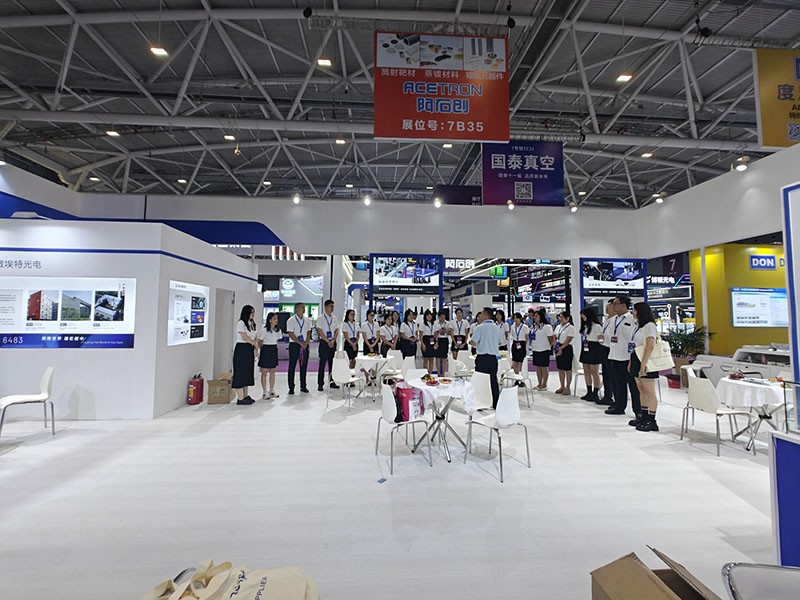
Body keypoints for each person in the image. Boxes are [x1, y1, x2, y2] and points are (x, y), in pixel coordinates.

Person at [604, 295, 640, 417]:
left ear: (624, 305)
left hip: (627, 357)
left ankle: (638, 411)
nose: (613, 306)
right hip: (614, 355)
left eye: (615, 304)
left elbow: (634, 338)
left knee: (633, 386)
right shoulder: (612, 320)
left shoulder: (632, 319)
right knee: (618, 384)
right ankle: (619, 406)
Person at [630, 302, 660, 431]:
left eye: (634, 310)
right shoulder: (638, 326)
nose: (633, 312)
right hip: (636, 358)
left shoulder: (650, 326)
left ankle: (652, 420)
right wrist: (631, 362)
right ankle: (644, 416)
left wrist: (643, 364)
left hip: (646, 361)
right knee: (641, 390)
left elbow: (650, 345)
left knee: (649, 391)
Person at [470, 307, 503, 408]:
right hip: (493, 358)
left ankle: (480, 403)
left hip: (482, 358)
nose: (480, 316)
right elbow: (500, 342)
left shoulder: (479, 328)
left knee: (481, 381)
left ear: (487, 315)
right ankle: (495, 403)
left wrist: (477, 344)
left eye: (482, 314)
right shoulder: (497, 328)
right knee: (493, 381)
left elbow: (473, 342)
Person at [232, 304, 257, 405]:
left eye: (254, 312)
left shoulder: (251, 323)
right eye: (251, 312)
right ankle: (240, 398)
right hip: (241, 349)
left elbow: (254, 336)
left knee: (247, 372)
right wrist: (253, 343)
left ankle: (246, 395)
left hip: (249, 349)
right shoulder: (241, 323)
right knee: (240, 372)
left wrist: (255, 348)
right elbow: (244, 337)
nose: (253, 314)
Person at [286, 302, 311, 396]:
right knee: (292, 366)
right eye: (302, 308)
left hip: (305, 345)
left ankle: (303, 386)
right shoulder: (291, 320)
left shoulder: (307, 320)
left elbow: (309, 332)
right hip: (294, 345)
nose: (304, 309)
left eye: (304, 308)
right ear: (297, 309)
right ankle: (291, 387)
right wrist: (300, 343)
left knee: (304, 366)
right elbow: (290, 333)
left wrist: (306, 342)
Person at [579, 306, 603, 402]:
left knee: (594, 371)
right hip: (586, 347)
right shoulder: (585, 326)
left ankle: (595, 392)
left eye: (584, 315)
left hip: (595, 348)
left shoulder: (597, 327)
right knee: (586, 370)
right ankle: (589, 391)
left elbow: (601, 340)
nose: (582, 317)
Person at [595, 300, 616, 406]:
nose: (606, 309)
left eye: (609, 307)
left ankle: (611, 396)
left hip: (611, 349)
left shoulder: (616, 321)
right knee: (606, 374)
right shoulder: (607, 320)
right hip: (604, 347)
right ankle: (607, 395)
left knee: (611, 375)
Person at [256, 312, 281, 400]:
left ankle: (272, 390)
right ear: (269, 320)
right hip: (266, 349)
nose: (276, 320)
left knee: (272, 371)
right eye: (274, 319)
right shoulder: (264, 331)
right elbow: (260, 341)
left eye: (277, 319)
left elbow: (277, 340)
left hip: (273, 349)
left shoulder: (278, 330)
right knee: (264, 371)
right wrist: (262, 350)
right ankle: (264, 391)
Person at [317, 299, 339, 392]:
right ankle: (320, 384)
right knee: (322, 363)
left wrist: (333, 340)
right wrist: (327, 341)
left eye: (333, 306)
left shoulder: (334, 318)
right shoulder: (320, 318)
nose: (332, 308)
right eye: (331, 306)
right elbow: (320, 331)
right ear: (326, 307)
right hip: (324, 343)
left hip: (333, 342)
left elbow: (336, 330)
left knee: (332, 363)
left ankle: (332, 381)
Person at [529, 308, 555, 391]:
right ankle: (539, 383)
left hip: (544, 350)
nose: (535, 317)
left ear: (541, 317)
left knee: (544, 367)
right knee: (538, 367)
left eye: (536, 316)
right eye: (534, 316)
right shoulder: (533, 327)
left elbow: (551, 339)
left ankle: (544, 384)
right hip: (535, 349)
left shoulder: (547, 327)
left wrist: (548, 347)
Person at [554, 312, 576, 395]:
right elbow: (555, 336)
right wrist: (556, 346)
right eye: (560, 317)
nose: (560, 319)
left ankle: (568, 387)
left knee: (567, 369)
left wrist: (561, 348)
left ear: (568, 318)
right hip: (558, 346)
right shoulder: (558, 326)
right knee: (560, 368)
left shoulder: (571, 327)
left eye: (562, 317)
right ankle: (562, 386)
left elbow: (568, 340)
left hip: (566, 348)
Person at [509, 312, 530, 378]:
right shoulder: (512, 326)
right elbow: (512, 335)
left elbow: (526, 338)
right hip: (515, 343)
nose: (515, 320)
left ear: (520, 318)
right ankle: (516, 376)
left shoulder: (525, 327)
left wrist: (524, 346)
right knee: (515, 361)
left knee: (521, 362)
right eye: (514, 318)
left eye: (517, 318)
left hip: (522, 343)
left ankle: (522, 377)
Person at [420, 309, 438, 374]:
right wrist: (422, 344)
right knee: (426, 359)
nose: (429, 316)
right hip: (426, 341)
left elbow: (435, 334)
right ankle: (425, 374)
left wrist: (436, 342)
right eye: (428, 315)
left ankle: (430, 373)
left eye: (430, 315)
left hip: (432, 341)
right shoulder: (422, 324)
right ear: (425, 316)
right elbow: (421, 335)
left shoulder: (434, 324)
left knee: (431, 359)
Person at [435, 309, 450, 375]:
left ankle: (443, 373)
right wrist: (439, 331)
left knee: (444, 357)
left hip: (445, 340)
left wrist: (446, 331)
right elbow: (434, 333)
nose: (442, 318)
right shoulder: (435, 323)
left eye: (443, 317)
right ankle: (438, 373)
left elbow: (450, 333)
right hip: (438, 340)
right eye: (441, 317)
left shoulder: (448, 323)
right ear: (438, 317)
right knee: (438, 357)